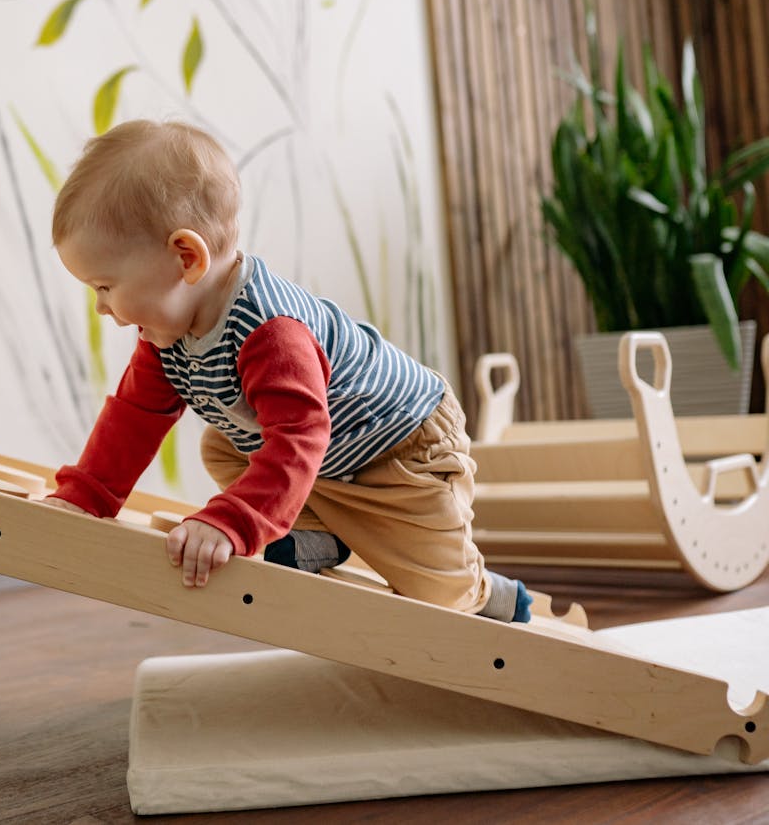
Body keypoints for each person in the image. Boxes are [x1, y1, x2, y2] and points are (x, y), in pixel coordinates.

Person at [44, 119, 531, 624]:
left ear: (186, 258)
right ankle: (321, 531)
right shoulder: (164, 335)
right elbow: (135, 416)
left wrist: (232, 521)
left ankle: (491, 594)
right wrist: (85, 498)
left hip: (402, 446)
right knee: (223, 444)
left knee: (439, 596)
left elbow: (299, 439)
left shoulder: (270, 333)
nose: (101, 307)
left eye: (104, 286)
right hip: (326, 452)